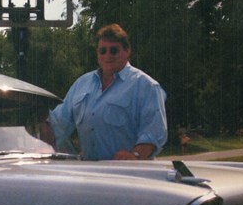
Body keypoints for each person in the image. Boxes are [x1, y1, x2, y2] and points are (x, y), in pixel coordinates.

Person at [48, 24, 167, 160]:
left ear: (127, 51)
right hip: (87, 173)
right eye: (102, 51)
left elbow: (154, 133)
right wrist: (39, 123)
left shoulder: (147, 86)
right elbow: (57, 123)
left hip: (129, 174)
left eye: (114, 50)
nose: (108, 55)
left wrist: (135, 155)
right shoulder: (82, 83)